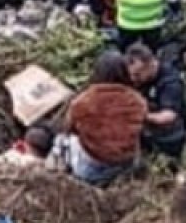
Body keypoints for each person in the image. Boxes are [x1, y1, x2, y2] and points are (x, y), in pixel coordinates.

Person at [54, 52, 147, 186]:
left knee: (61, 139)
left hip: (89, 171)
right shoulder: (138, 101)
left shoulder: (83, 101)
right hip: (125, 165)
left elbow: (68, 128)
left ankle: (62, 172)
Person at [125, 43, 186, 162]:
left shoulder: (170, 83)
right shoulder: (141, 78)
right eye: (131, 74)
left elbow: (168, 116)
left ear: (150, 64)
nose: (133, 79)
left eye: (137, 74)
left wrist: (140, 115)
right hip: (146, 131)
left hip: (169, 136)